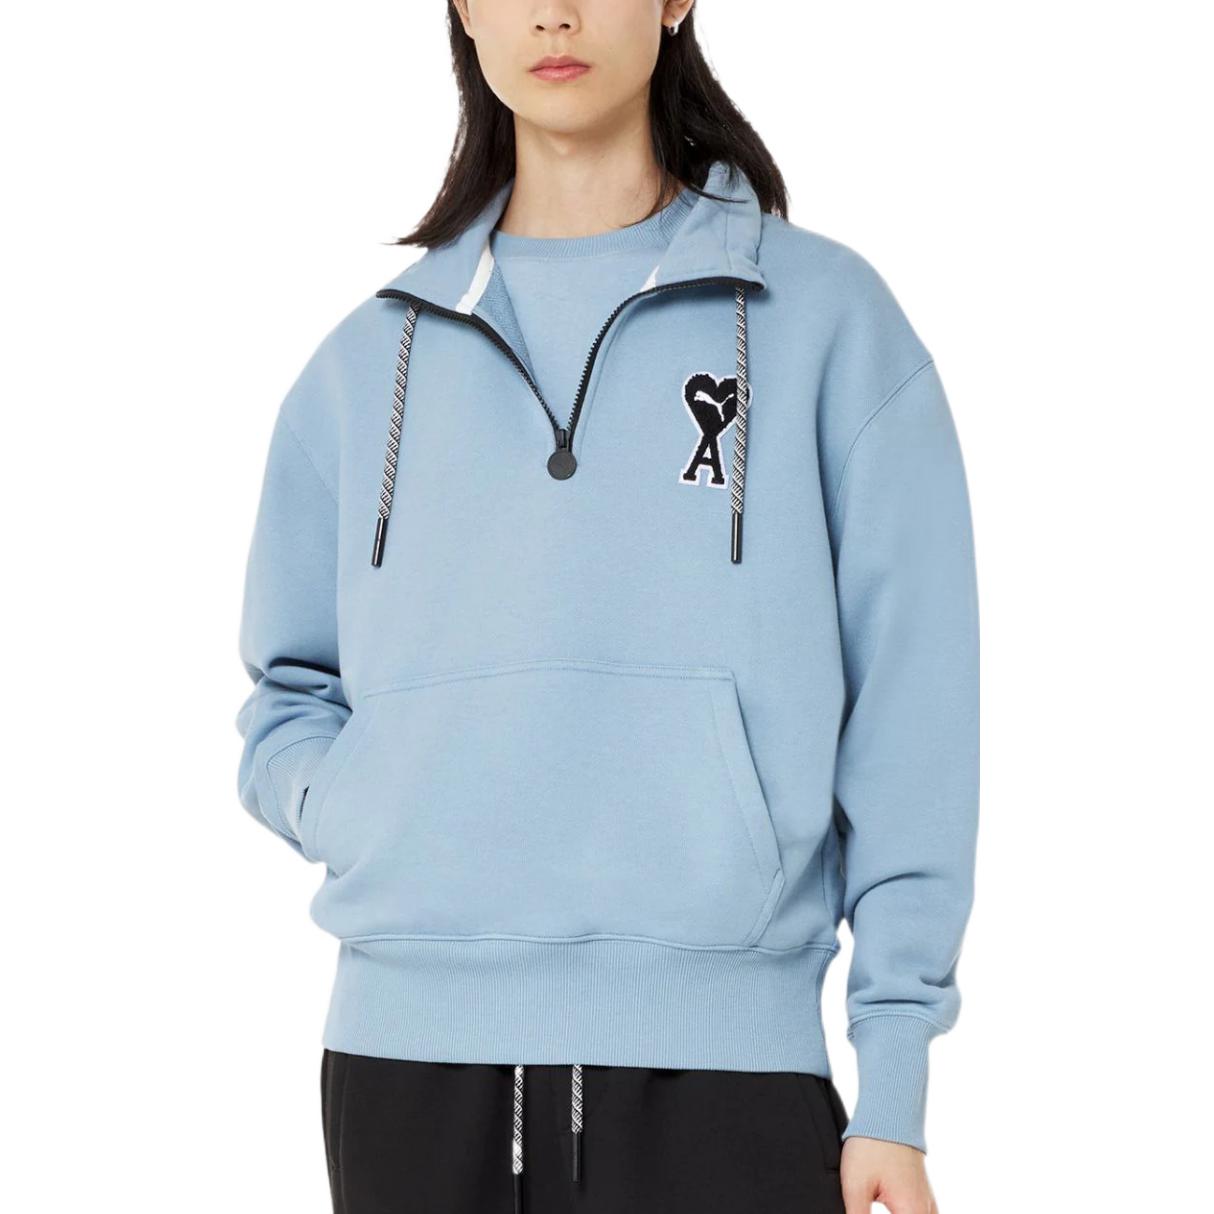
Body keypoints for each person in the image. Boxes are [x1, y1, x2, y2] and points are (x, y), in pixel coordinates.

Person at [234, 2, 979, 1211]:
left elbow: (912, 711)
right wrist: (367, 804)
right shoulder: (364, 365)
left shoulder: (824, 321)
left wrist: (892, 1075)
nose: (553, 13)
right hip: (403, 1065)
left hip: (726, 1070)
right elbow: (287, 689)